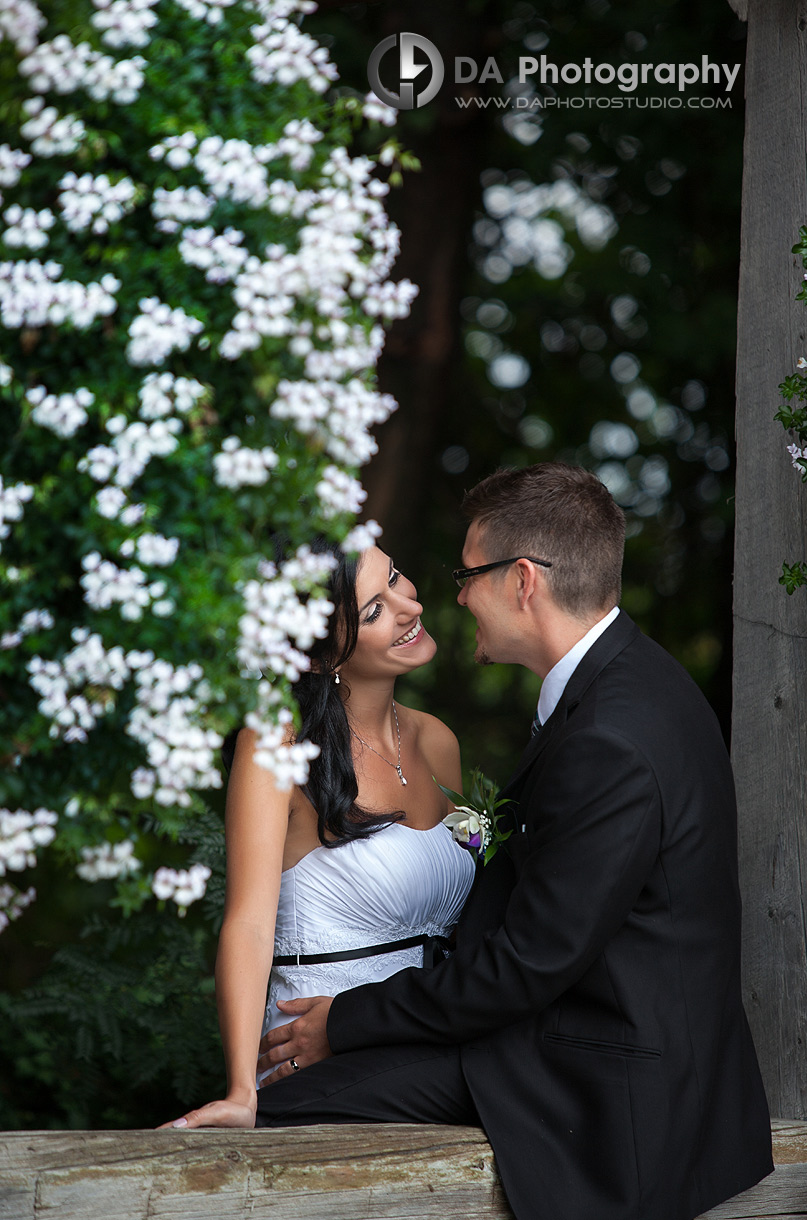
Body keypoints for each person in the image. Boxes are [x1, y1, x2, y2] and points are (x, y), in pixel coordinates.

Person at [251, 463, 774, 1220]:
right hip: (614, 1046)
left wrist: (345, 1020)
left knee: (275, 1118)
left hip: (603, 1086)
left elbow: (527, 964)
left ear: (521, 580)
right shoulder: (630, 681)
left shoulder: (607, 735)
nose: (451, 597)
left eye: (466, 576)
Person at [161, 541, 474, 1131]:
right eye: (375, 611)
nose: (409, 607)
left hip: (432, 1048)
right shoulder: (278, 746)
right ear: (317, 653)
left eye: (398, 579)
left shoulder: (438, 742)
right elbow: (249, 923)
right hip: (314, 1061)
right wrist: (238, 1093)